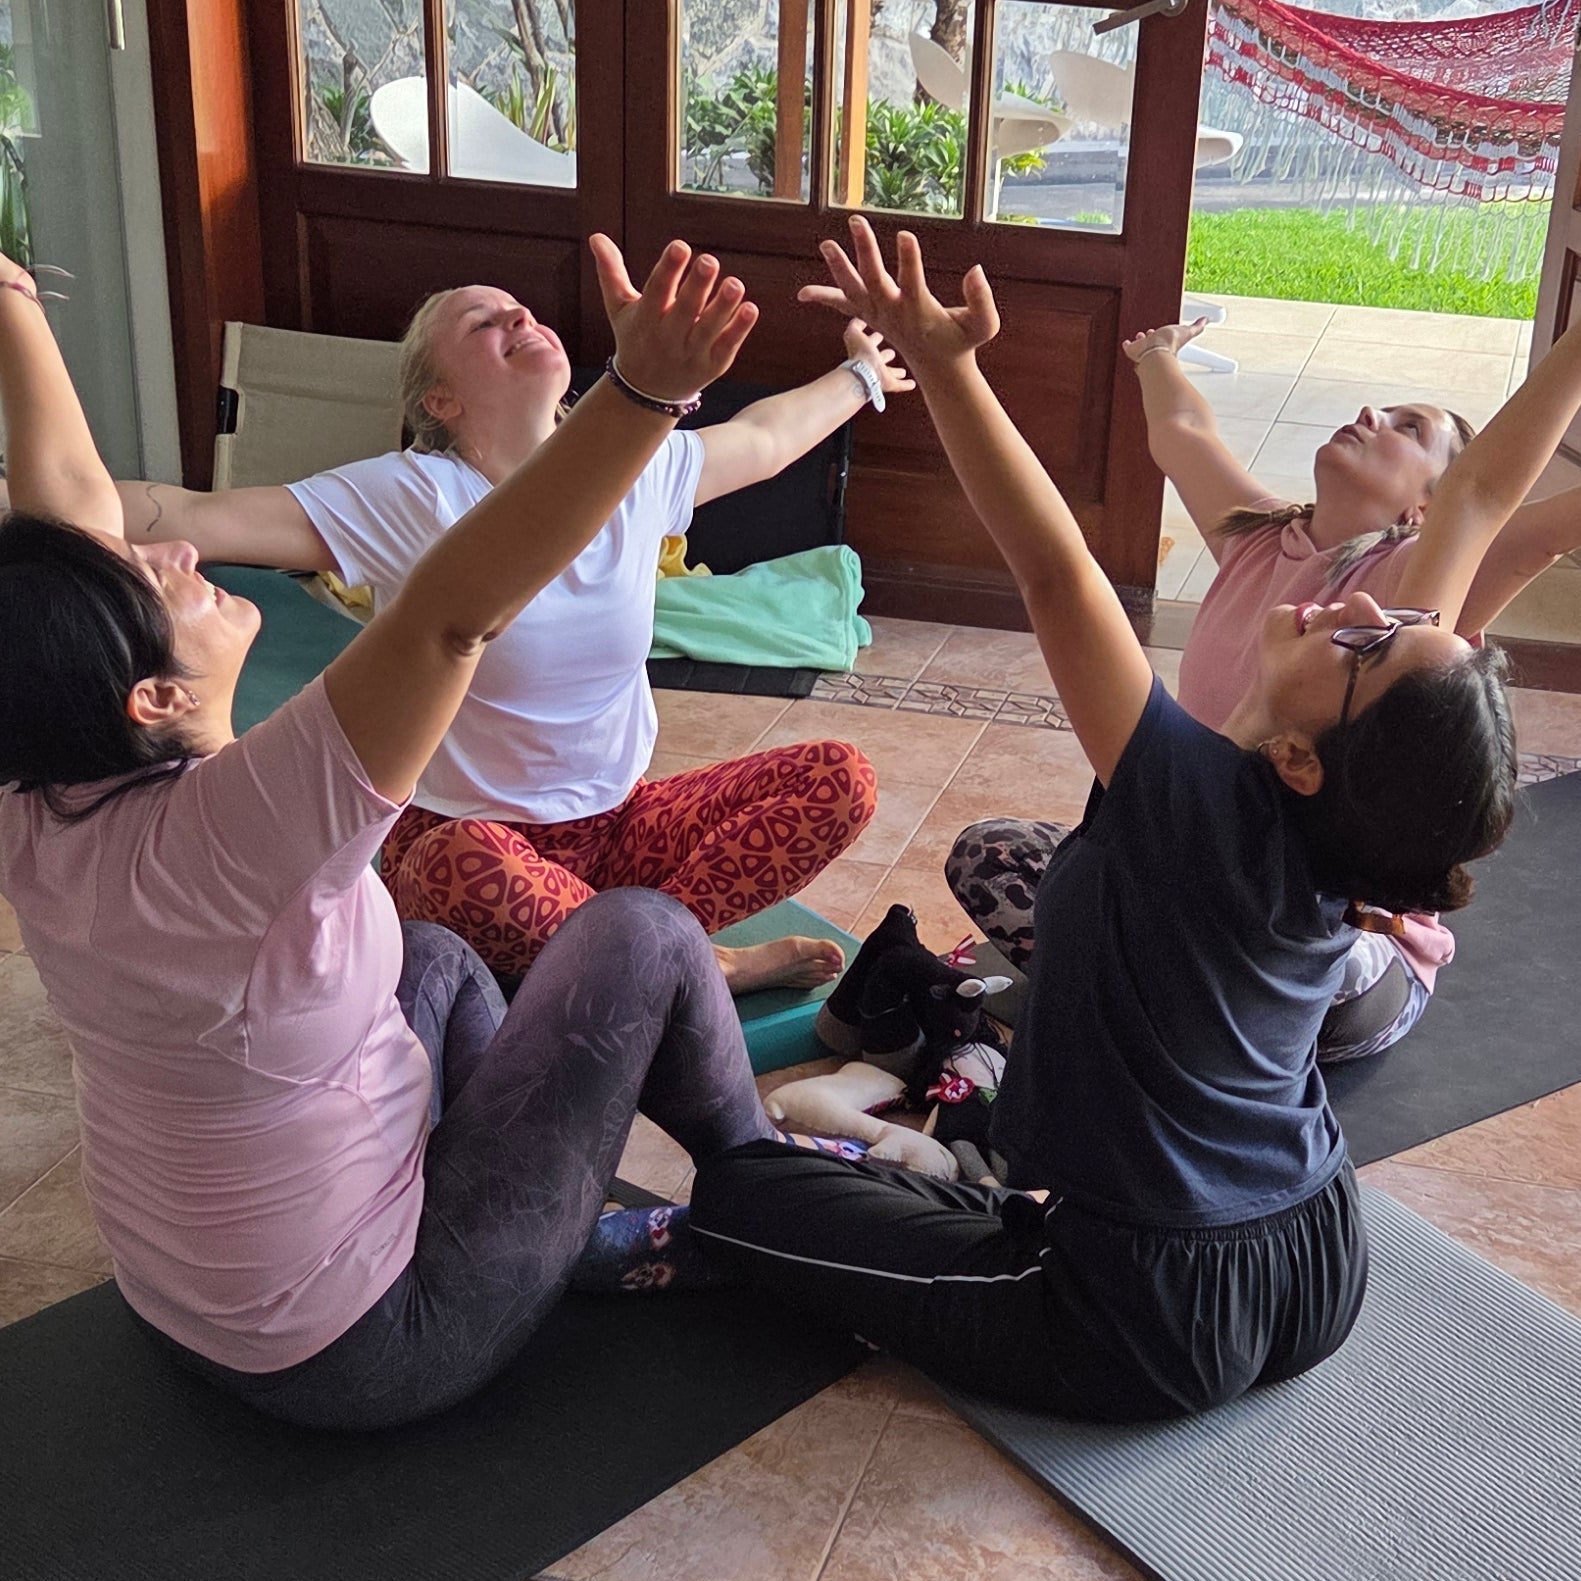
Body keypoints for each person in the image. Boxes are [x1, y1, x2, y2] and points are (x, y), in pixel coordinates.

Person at [688, 215, 1558, 1423]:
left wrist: (946, 368)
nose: (1360, 609)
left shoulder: (1196, 796)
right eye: (1393, 617)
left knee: (739, 1200)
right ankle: (957, 1154)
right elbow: (1486, 491)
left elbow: (1054, 571)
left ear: (1303, 757)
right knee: (931, 1161)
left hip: (1147, 1311)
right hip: (1316, 1260)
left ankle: (952, 1167)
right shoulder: (1327, 834)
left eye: (1369, 645)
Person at [0, 236, 809, 1431]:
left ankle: (562, 1223)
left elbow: (64, 518)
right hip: (371, 1345)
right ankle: (775, 1199)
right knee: (641, 935)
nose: (168, 553)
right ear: (155, 698)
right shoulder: (245, 820)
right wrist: (638, 393)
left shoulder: (37, 797)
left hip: (186, 1306)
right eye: (151, 583)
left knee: (431, 958)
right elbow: (448, 619)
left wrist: (13, 299)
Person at [112, 295, 907, 993]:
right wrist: (47, 492)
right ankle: (698, 964)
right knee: (457, 861)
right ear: (442, 400)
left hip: (618, 825)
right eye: (482, 322)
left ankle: (634, 951)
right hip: (474, 845)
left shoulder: (640, 464)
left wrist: (862, 372)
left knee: (839, 778)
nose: (518, 316)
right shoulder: (410, 494)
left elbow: (765, 437)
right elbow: (194, 516)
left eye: (519, 309)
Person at [946, 314, 1581, 1062]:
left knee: (1260, 936)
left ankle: (1176, 1008)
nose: (1372, 415)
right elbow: (1182, 433)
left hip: (1336, 947)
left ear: (1424, 510)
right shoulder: (1258, 535)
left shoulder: (1407, 600)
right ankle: (1157, 1004)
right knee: (995, 858)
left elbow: (1486, 497)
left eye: (1409, 428)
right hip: (1206, 864)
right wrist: (1155, 356)